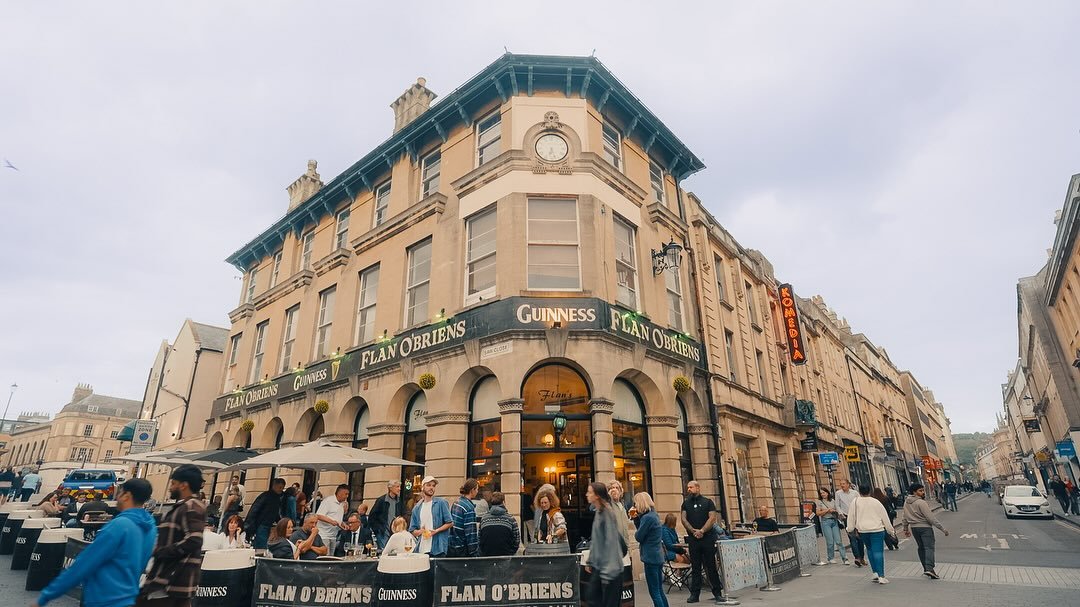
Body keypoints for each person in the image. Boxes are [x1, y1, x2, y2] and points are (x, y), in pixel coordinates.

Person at [31, 479, 156, 607]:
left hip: (103, 599)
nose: (117, 497)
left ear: (127, 496)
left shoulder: (119, 526)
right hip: (129, 598)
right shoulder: (150, 526)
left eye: (119, 493)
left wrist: (44, 598)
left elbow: (84, 564)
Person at [137, 464, 207, 607]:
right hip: (172, 581)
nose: (170, 487)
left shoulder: (191, 506)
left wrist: (161, 552)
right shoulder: (185, 506)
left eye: (173, 483)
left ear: (183, 485)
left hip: (170, 580)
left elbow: (194, 539)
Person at [680, 480, 722, 603]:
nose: (688, 489)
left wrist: (702, 530)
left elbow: (712, 518)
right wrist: (693, 531)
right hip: (694, 540)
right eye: (688, 487)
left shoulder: (708, 502)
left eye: (691, 487)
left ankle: (717, 592)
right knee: (696, 567)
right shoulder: (686, 503)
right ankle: (695, 594)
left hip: (707, 538)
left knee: (711, 566)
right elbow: (683, 518)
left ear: (697, 488)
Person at [845, 484, 895, 584]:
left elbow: (851, 516)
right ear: (869, 491)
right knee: (878, 552)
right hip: (877, 529)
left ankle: (875, 573)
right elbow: (884, 516)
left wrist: (849, 528)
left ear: (859, 491)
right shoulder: (875, 502)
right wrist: (890, 530)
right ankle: (881, 576)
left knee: (870, 549)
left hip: (863, 530)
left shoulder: (855, 502)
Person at [899, 483, 949, 579]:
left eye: (922, 490)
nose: (922, 492)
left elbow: (904, 516)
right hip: (925, 528)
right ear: (914, 492)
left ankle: (926, 568)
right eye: (920, 491)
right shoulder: (921, 502)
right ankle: (929, 568)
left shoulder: (906, 502)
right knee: (929, 547)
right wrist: (942, 529)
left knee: (921, 548)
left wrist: (905, 528)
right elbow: (930, 518)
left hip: (914, 528)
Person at [585, 482, 623, 607]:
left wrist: (607, 573)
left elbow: (611, 542)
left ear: (597, 495)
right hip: (600, 566)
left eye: (590, 492)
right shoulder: (598, 512)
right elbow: (596, 541)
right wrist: (590, 561)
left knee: (604, 602)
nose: (587, 495)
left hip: (610, 569)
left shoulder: (607, 513)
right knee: (592, 598)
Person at [632, 492, 668, 607]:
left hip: (650, 557)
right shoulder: (653, 515)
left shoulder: (647, 518)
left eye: (636, 503)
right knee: (659, 590)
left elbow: (639, 536)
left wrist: (636, 519)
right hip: (657, 555)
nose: (635, 506)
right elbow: (643, 532)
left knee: (654, 592)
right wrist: (637, 519)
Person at [409, 476, 453, 557]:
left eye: (433, 485)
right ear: (423, 487)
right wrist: (420, 531)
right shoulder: (417, 508)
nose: (431, 488)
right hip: (421, 549)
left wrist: (436, 531)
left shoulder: (441, 503)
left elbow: (450, 523)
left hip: (438, 548)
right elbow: (412, 530)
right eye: (428, 485)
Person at [245, 478, 285, 549]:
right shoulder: (266, 496)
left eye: (282, 488)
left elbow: (275, 512)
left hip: (267, 524)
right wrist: (251, 524)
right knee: (261, 546)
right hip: (262, 524)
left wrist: (280, 522)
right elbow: (255, 510)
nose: (281, 489)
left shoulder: (276, 498)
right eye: (279, 487)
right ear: (274, 486)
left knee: (263, 545)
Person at [479, 491, 520, 556]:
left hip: (487, 557)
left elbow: (479, 538)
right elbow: (516, 540)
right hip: (506, 556)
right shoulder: (510, 519)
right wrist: (511, 552)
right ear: (503, 502)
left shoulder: (484, 519)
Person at [834, 479, 865, 567]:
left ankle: (862, 557)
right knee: (852, 538)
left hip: (857, 516)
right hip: (846, 517)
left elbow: (860, 503)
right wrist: (840, 513)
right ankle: (857, 558)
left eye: (844, 484)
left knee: (860, 538)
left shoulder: (855, 493)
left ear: (848, 484)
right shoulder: (838, 493)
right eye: (841, 484)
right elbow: (837, 505)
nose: (842, 485)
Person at [316, 484, 350, 556]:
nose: (347, 496)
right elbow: (319, 515)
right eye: (346, 494)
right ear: (340, 493)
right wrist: (331, 522)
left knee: (331, 557)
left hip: (334, 536)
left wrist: (343, 524)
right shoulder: (328, 501)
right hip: (324, 535)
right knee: (325, 557)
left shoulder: (342, 504)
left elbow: (337, 518)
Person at [449, 478, 480, 557]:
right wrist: (474, 552)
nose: (477, 491)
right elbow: (470, 532)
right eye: (477, 489)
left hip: (452, 545)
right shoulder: (469, 508)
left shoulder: (456, 502)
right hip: (462, 548)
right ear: (472, 490)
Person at [815, 488, 847, 564]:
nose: (823, 494)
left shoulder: (833, 501)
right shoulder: (819, 502)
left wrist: (835, 511)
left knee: (838, 541)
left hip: (834, 521)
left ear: (827, 493)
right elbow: (818, 513)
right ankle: (830, 558)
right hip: (826, 522)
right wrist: (827, 510)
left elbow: (838, 510)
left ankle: (844, 558)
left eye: (824, 492)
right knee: (830, 542)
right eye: (821, 493)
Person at [369, 480, 404, 550]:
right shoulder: (381, 500)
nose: (399, 489)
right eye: (397, 487)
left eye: (399, 487)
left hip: (396, 532)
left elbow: (403, 514)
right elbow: (372, 516)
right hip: (383, 532)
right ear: (390, 488)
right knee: (385, 552)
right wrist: (377, 530)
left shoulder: (399, 501)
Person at [607, 480, 631, 546]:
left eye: (617, 488)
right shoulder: (607, 505)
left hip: (625, 544)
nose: (614, 490)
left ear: (621, 491)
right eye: (612, 488)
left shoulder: (623, 505)